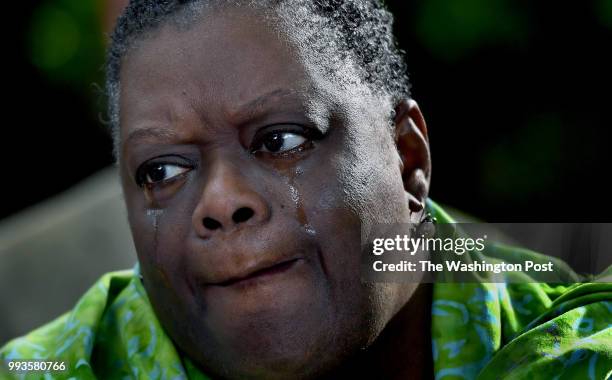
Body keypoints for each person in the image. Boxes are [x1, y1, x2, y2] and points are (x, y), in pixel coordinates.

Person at [1, 1, 611, 379]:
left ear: (407, 158)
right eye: (161, 172)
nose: (219, 202)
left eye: (282, 141)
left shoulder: (581, 350)